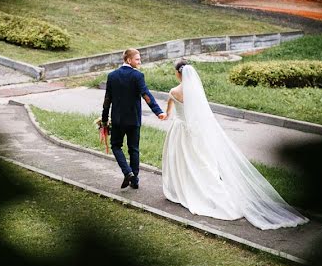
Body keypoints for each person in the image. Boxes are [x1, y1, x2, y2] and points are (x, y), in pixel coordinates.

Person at [162, 58, 308, 230]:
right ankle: (208, 191)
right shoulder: (195, 92)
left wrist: (164, 116)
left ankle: (184, 190)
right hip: (197, 134)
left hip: (180, 132)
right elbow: (202, 115)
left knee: (182, 161)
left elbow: (168, 112)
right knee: (202, 163)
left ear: (178, 73)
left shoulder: (173, 92)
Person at [101, 48, 166, 189]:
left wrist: (104, 119)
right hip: (133, 120)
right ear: (128, 60)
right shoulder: (138, 76)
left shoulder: (112, 76)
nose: (140, 61)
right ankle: (134, 180)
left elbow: (107, 99)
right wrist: (158, 111)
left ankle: (127, 172)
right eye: (137, 59)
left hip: (117, 120)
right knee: (134, 149)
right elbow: (146, 94)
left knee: (116, 146)